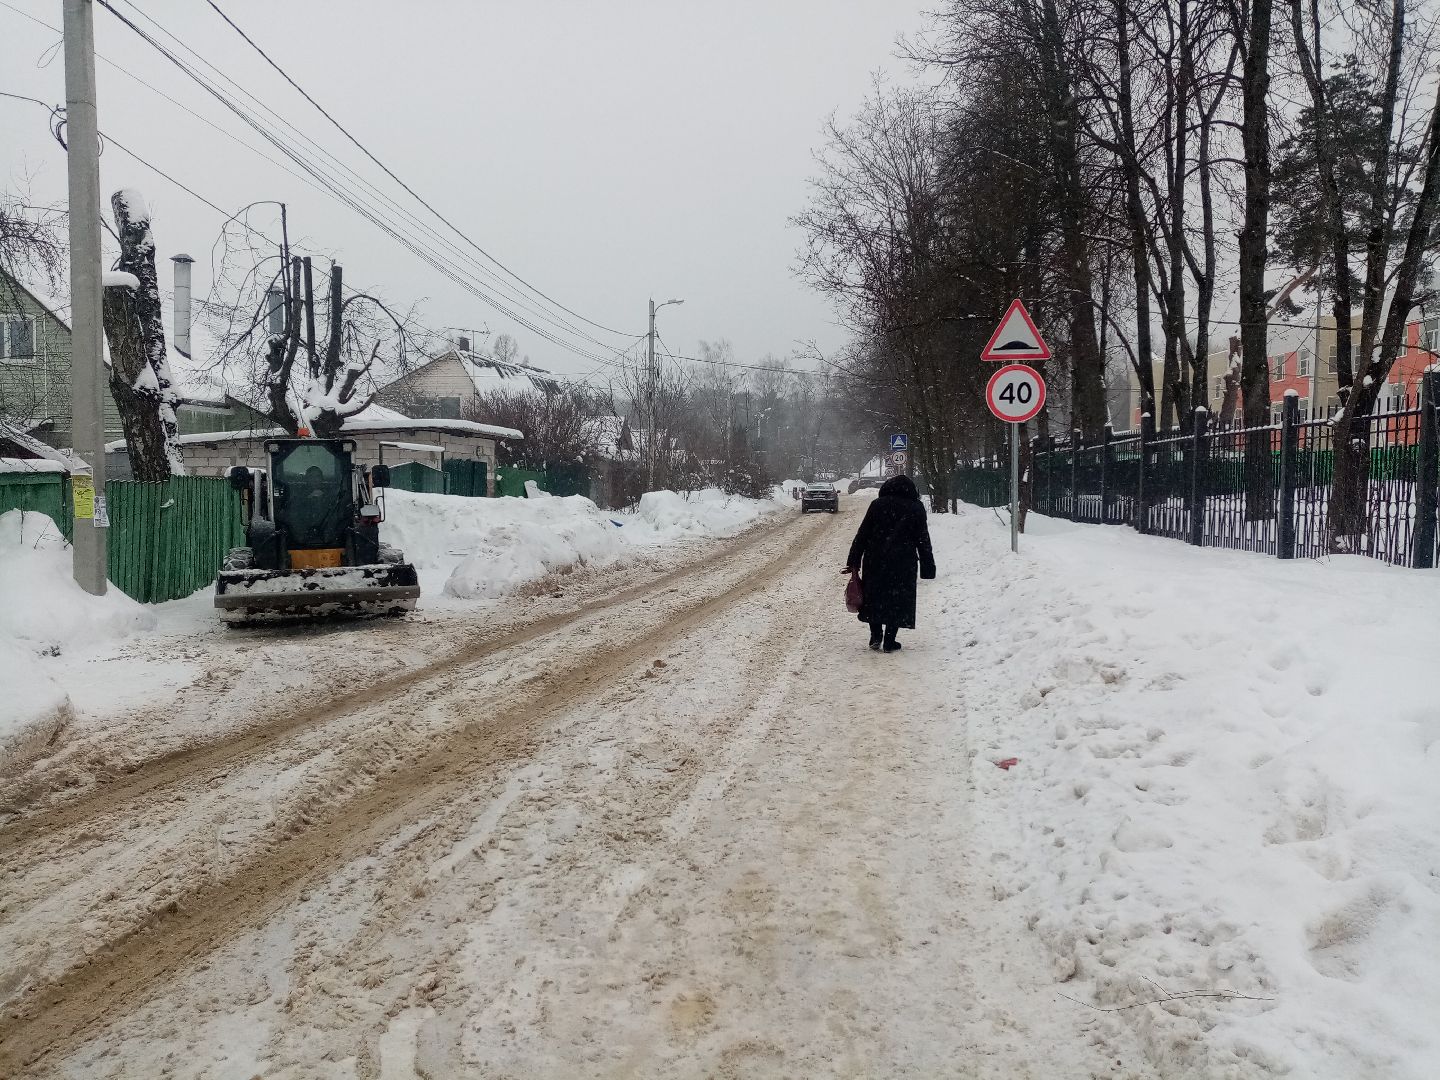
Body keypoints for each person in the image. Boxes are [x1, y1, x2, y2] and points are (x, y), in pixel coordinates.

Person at [844, 474, 936, 652]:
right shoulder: (916, 507)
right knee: (897, 601)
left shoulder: (877, 505)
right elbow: (923, 539)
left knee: (874, 598)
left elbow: (862, 534)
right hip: (903, 562)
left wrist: (854, 561)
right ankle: (889, 640)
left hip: (875, 560)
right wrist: (928, 566)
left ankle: (875, 635)